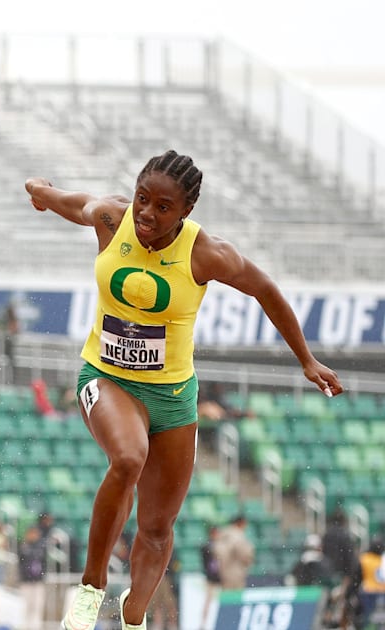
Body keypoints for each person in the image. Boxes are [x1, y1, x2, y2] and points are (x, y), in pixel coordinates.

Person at [26, 150, 343, 630]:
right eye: (142, 199)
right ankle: (91, 590)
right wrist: (40, 192)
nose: (148, 214)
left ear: (186, 211)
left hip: (173, 397)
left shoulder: (206, 254)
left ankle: (134, 616)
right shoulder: (114, 219)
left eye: (163, 206)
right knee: (129, 458)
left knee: (156, 527)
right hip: (106, 378)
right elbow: (75, 204)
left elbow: (266, 290)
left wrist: (307, 359)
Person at [18, 524, 48, 628]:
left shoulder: (41, 547)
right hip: (26, 581)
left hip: (38, 581)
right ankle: (25, 626)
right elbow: (20, 563)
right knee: (26, 605)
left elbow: (44, 563)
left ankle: (36, 627)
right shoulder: (23, 546)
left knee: (38, 606)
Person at [215, 515, 255, 590]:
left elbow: (216, 551)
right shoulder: (237, 534)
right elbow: (245, 553)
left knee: (226, 596)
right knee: (236, 597)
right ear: (241, 523)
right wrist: (248, 560)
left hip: (223, 571)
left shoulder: (222, 534)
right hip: (236, 571)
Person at [0, 299, 19, 383]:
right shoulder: (3, 318)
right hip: (0, 344)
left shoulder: (12, 318)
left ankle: (12, 381)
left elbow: (15, 330)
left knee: (11, 363)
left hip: (7, 344)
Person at [199, 525, 222, 624]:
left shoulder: (218, 545)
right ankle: (204, 622)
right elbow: (208, 564)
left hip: (220, 578)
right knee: (208, 602)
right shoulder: (208, 546)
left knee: (220, 602)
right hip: (212, 578)